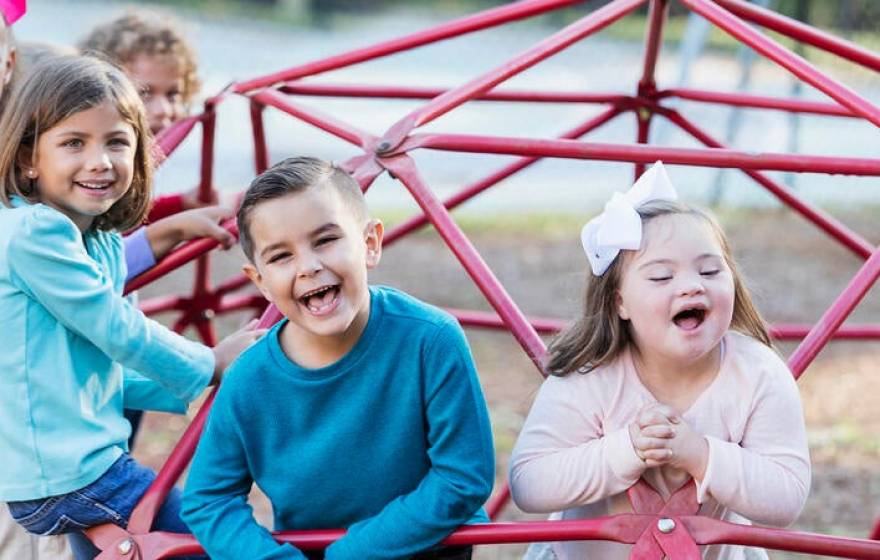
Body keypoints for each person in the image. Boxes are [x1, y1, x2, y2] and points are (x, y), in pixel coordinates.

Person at [0, 54, 264, 560]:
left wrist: (186, 388)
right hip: (68, 472)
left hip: (76, 467)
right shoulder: (34, 231)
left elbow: (96, 366)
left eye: (117, 141)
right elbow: (117, 328)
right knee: (209, 540)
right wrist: (209, 362)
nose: (100, 160)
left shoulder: (94, 237)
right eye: (74, 142)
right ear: (30, 159)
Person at [181, 157, 495, 559]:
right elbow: (208, 500)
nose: (309, 266)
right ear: (259, 280)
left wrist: (353, 553)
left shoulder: (430, 339)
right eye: (280, 257)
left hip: (428, 550)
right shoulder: (250, 378)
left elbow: (463, 477)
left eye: (326, 240)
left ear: (370, 243)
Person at [509, 162, 811, 560]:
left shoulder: (758, 373)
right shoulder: (591, 375)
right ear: (619, 302)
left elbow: (786, 495)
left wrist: (701, 455)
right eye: (661, 277)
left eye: (709, 270)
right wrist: (626, 451)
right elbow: (529, 484)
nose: (691, 285)